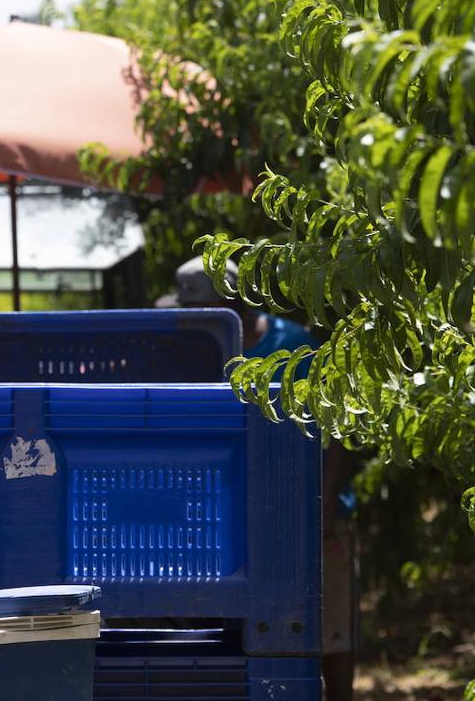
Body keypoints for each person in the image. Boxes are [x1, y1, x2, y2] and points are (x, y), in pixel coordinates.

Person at [158, 255, 357, 701]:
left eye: (205, 318)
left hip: (307, 515)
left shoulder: (296, 348)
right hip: (232, 525)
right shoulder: (194, 358)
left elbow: (338, 433)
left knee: (329, 632)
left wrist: (321, 511)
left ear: (235, 311)